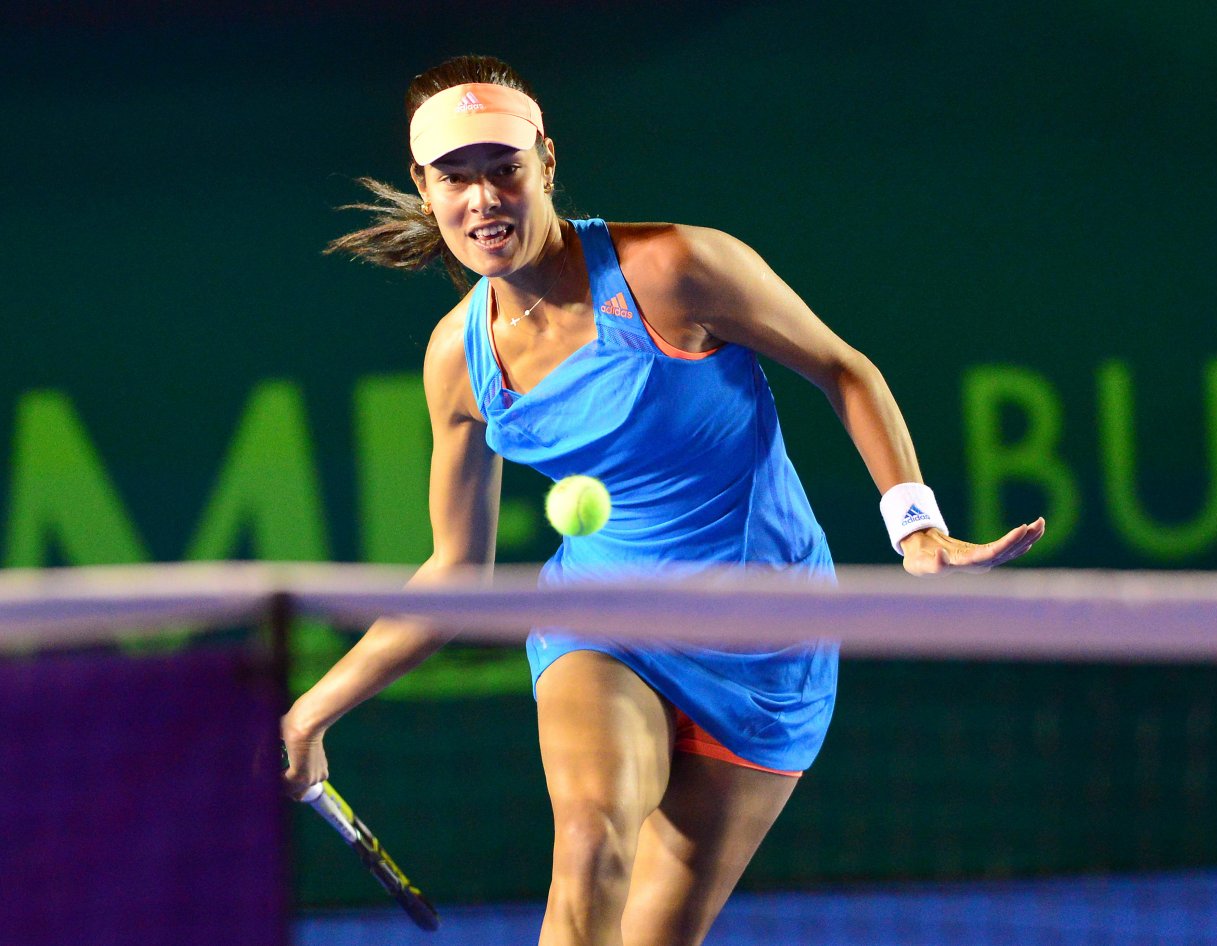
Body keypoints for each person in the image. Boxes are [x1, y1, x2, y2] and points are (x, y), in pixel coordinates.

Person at [281, 53, 1045, 946]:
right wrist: (311, 712)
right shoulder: (458, 360)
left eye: (504, 168)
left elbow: (843, 369)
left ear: (546, 162)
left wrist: (917, 527)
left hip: (770, 642)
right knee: (590, 841)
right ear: (424, 186)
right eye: (455, 177)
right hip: (603, 621)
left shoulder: (675, 267)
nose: (484, 199)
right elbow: (456, 571)